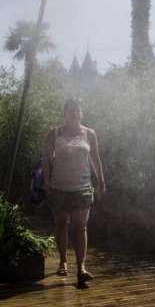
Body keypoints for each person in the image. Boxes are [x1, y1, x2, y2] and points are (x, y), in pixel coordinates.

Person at [42, 98, 106, 284]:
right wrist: (45, 181)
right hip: (59, 186)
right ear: (65, 113)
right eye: (71, 110)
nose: (74, 113)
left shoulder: (89, 134)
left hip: (83, 187)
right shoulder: (54, 133)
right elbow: (45, 158)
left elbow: (95, 158)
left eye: (77, 110)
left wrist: (101, 181)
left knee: (81, 226)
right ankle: (63, 261)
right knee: (62, 225)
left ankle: (81, 268)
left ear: (82, 113)